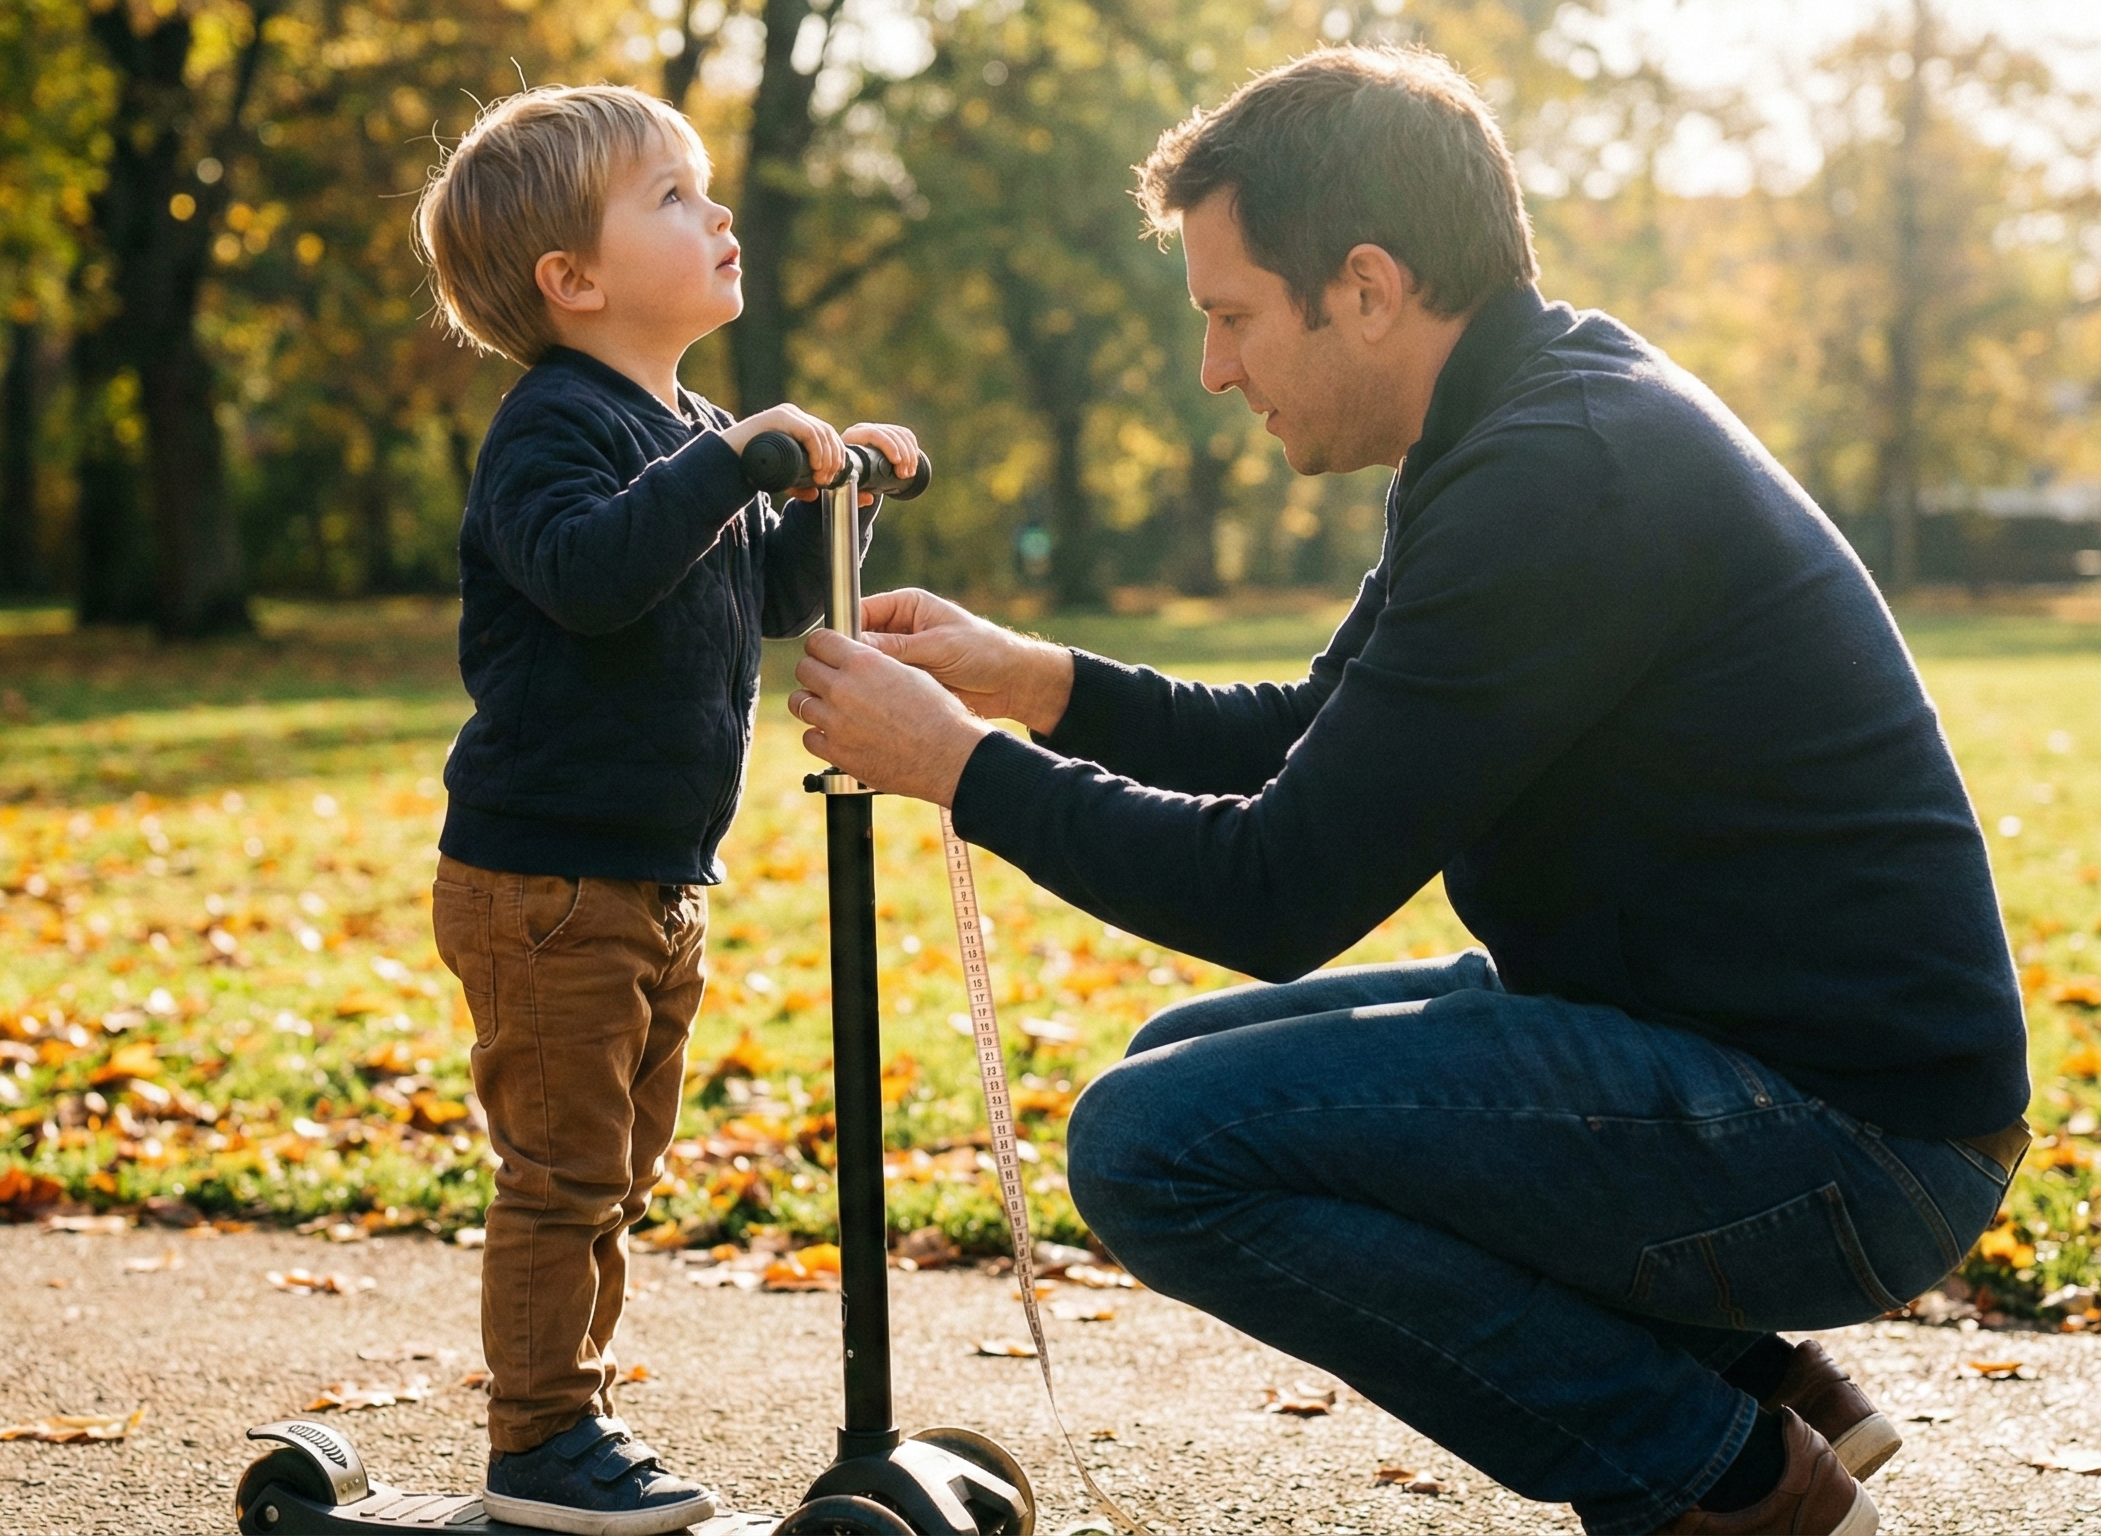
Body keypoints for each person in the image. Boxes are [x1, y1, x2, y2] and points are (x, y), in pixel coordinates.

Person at [784, 46, 2030, 1536]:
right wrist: (1034, 680)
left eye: (1233, 316)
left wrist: (959, 767)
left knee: (1152, 1145)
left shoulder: (1557, 475)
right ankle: (1754, 1384)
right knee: (1184, 1061)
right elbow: (1317, 733)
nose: (1216, 370)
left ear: (1365, 287)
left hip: (1847, 1140)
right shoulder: (1527, 415)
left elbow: (1274, 893)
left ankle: (1726, 1484)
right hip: (1753, 1059)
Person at [413, 83, 922, 1536]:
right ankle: (539, 1443)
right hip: (546, 879)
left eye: (705, 189)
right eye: (673, 198)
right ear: (571, 280)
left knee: (618, 1171)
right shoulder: (552, 428)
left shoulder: (689, 423)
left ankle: (569, 1421)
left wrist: (836, 498)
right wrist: (727, 461)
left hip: (649, 876)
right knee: (564, 1175)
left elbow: (762, 595)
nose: (719, 214)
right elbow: (590, 576)